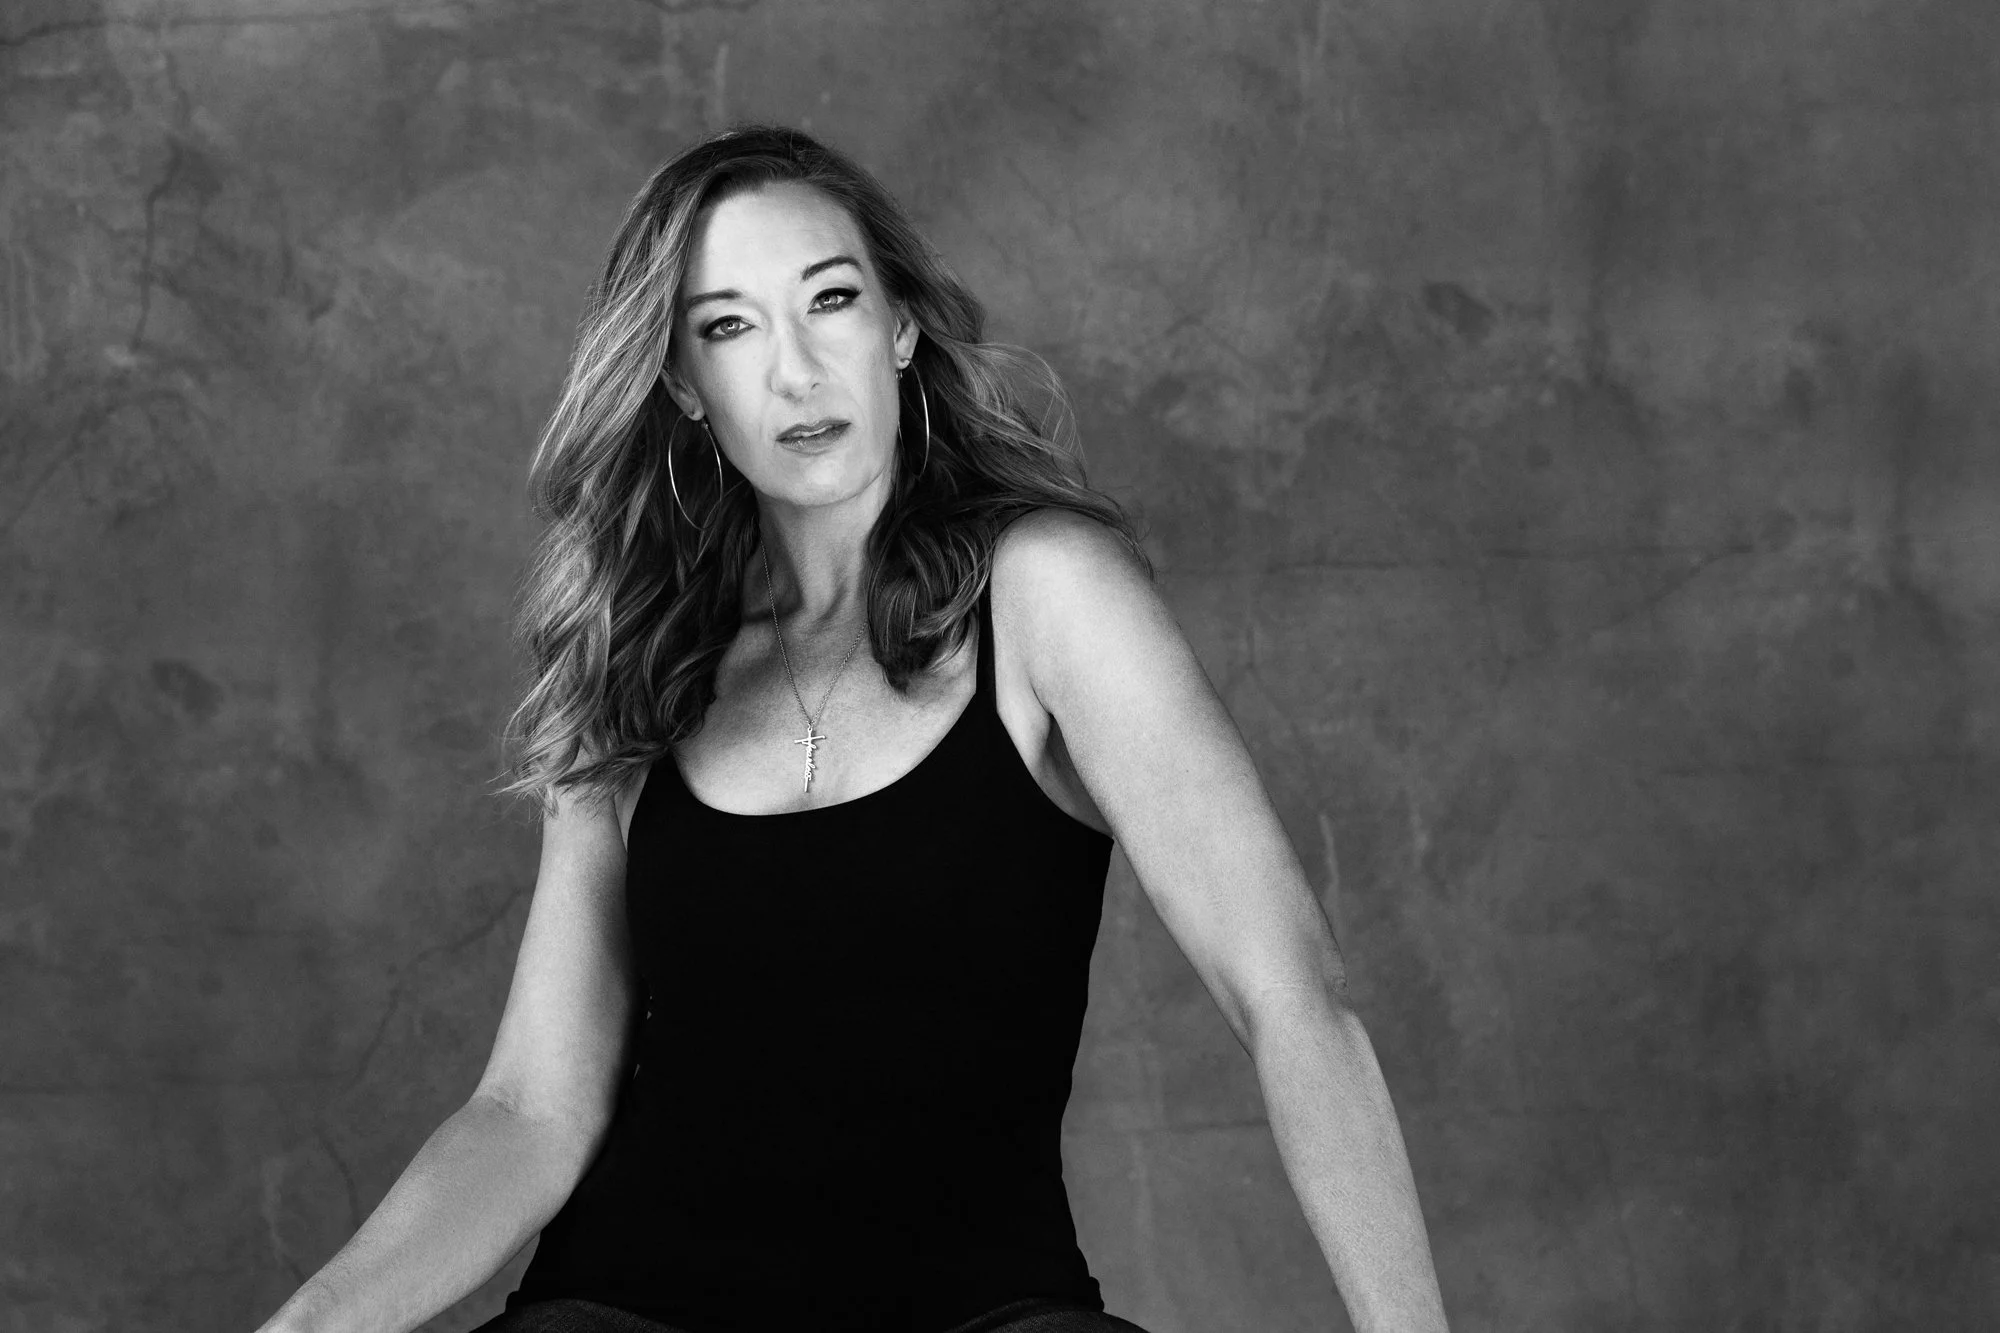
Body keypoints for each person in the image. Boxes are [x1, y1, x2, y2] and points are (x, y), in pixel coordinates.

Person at [252, 124, 1450, 1333]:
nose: (795, 371)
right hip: (627, 1309)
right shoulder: (639, 658)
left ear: (898, 326)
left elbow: (1289, 996)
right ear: (679, 382)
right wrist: (310, 1323)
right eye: (727, 326)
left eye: (829, 300)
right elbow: (531, 1109)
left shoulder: (1044, 594)